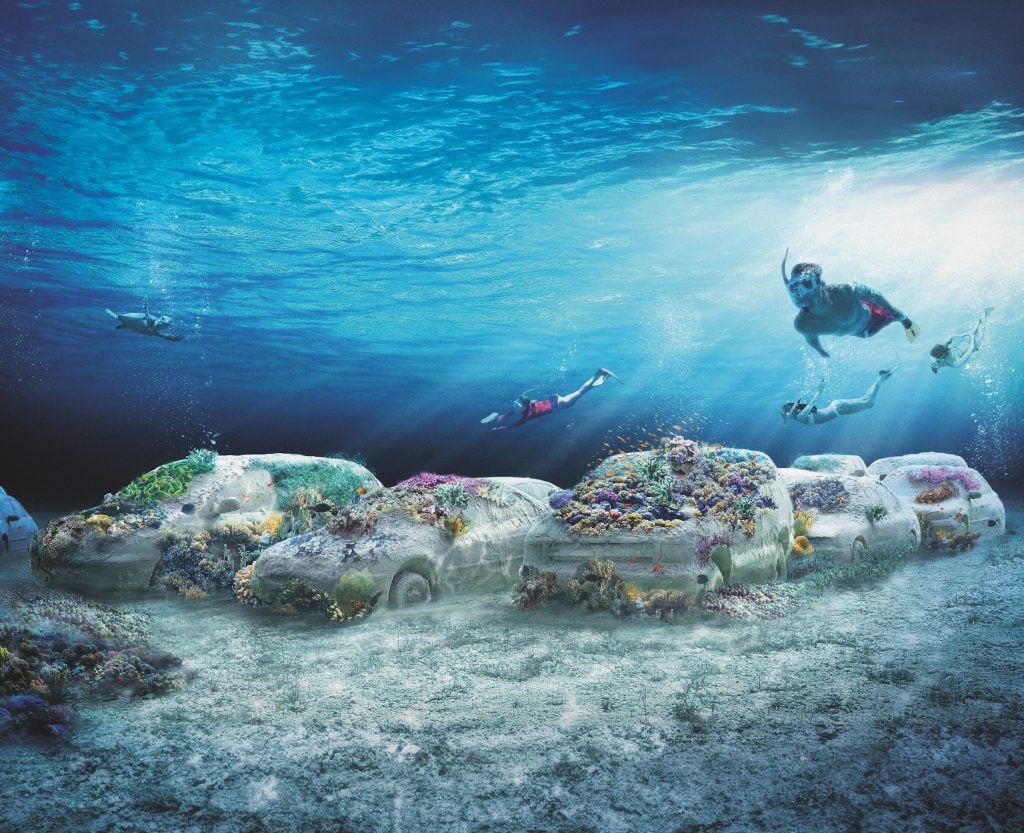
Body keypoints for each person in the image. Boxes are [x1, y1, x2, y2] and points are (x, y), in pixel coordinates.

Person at [781, 249, 920, 358]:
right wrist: (821, 351)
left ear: (821, 283)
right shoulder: (803, 324)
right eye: (795, 287)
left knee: (893, 315)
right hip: (862, 334)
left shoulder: (846, 291)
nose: (802, 292)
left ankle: (902, 318)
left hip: (874, 316)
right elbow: (811, 339)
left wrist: (895, 313)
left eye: (807, 284)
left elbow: (874, 295)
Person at [481, 368, 620, 430]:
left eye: (518, 403)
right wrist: (502, 416)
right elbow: (512, 412)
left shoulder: (527, 414)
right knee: (582, 390)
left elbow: (515, 425)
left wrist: (501, 428)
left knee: (583, 391)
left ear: (524, 407)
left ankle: (601, 373)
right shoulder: (525, 408)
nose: (515, 403)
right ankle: (601, 374)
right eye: (516, 401)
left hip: (560, 405)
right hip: (556, 401)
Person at [781, 365, 897, 426]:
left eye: (787, 414)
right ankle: (881, 378)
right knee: (866, 400)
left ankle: (881, 378)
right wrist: (787, 414)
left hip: (838, 409)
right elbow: (787, 419)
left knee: (868, 403)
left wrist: (819, 391)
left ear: (792, 411)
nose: (787, 417)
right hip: (837, 407)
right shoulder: (798, 417)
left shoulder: (800, 417)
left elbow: (810, 405)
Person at [930, 307, 993, 373]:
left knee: (979, 327)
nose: (936, 362)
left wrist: (966, 337)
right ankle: (984, 313)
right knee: (979, 327)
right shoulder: (953, 362)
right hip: (970, 342)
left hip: (969, 341)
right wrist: (969, 338)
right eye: (937, 361)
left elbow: (968, 351)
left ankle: (984, 313)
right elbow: (967, 352)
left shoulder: (949, 361)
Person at [105, 298, 185, 341]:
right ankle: (117, 317)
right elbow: (146, 314)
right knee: (117, 317)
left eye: (168, 322)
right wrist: (146, 306)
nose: (164, 322)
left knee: (120, 321)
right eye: (163, 319)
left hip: (132, 326)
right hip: (135, 319)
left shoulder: (155, 333)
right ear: (160, 319)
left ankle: (124, 324)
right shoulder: (150, 321)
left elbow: (166, 337)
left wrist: (173, 338)